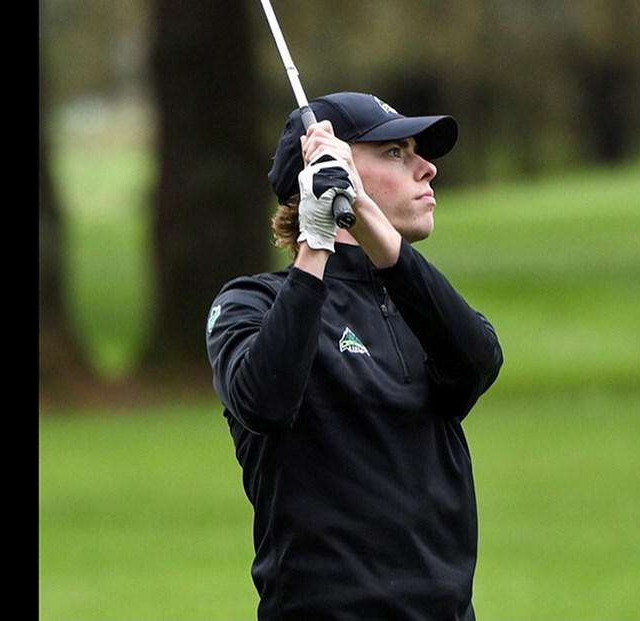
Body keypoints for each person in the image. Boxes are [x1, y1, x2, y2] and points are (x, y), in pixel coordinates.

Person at [205, 91, 503, 620]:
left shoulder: (421, 304)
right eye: (395, 152)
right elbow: (265, 402)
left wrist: (366, 218)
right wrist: (316, 241)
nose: (427, 169)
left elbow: (477, 363)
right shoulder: (252, 303)